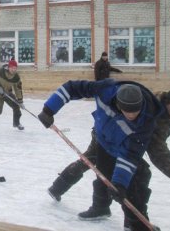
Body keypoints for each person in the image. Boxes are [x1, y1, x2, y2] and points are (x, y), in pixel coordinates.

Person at [46, 89, 170, 230]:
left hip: (124, 138)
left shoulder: (166, 101)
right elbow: (159, 155)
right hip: (107, 135)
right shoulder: (151, 119)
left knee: (106, 169)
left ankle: (96, 205)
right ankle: (111, 212)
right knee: (104, 167)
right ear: (164, 103)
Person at [38, 79, 163, 231]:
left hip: (120, 147)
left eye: (135, 111)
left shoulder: (146, 121)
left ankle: (136, 225)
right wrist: (48, 109)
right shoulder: (105, 90)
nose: (132, 115)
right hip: (102, 140)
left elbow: (130, 154)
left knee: (131, 185)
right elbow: (71, 88)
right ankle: (101, 208)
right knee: (103, 177)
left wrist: (120, 183)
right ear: (118, 104)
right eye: (127, 111)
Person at [0, 58, 24, 133]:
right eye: (12, 68)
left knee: (16, 105)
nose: (14, 70)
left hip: (7, 93)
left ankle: (16, 123)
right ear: (9, 67)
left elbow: (18, 89)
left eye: (15, 68)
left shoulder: (16, 77)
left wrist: (20, 101)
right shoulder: (0, 71)